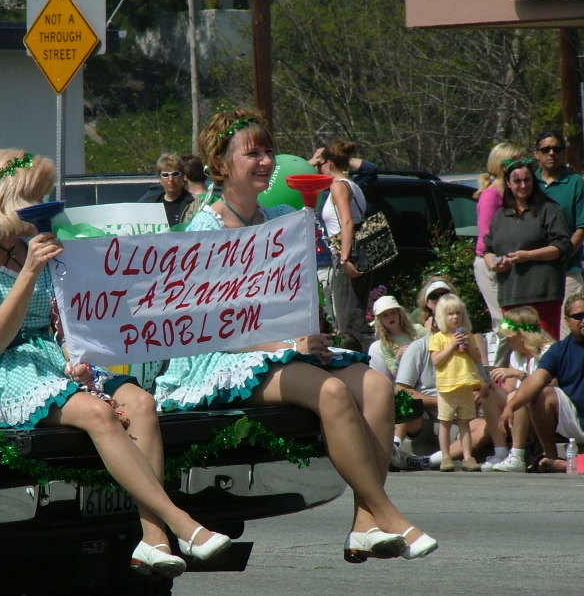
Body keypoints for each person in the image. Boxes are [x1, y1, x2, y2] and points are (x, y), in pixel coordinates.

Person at [155, 107, 437, 564]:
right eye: (254, 153)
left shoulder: (281, 218)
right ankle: (388, 514)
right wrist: (288, 346)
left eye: (269, 151)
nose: (267, 161)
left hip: (284, 350)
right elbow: (212, 328)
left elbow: (296, 299)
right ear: (221, 163)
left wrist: (307, 332)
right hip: (222, 358)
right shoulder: (205, 228)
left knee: (377, 386)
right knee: (331, 391)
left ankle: (364, 522)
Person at [0, 149, 230, 579]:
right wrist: (30, 271)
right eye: (34, 196)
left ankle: (153, 540)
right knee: (98, 413)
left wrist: (76, 357)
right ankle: (182, 523)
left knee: (140, 403)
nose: (43, 205)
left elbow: (67, 319)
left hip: (52, 359)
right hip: (2, 370)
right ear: (4, 196)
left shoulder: (35, 245)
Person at [483, 159, 572, 340]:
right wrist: (494, 264)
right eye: (517, 181)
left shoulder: (549, 209)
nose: (523, 185)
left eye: (527, 180)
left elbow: (562, 247)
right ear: (508, 183)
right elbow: (488, 249)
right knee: (516, 345)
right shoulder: (500, 216)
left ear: (534, 181)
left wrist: (528, 256)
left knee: (544, 346)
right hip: (510, 296)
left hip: (542, 294)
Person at [499, 293, 584, 473]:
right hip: (576, 418)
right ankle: (551, 456)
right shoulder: (559, 350)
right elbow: (535, 380)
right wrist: (511, 407)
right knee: (542, 392)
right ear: (567, 320)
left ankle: (563, 465)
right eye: (578, 316)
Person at [313, 141, 376, 350]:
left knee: (348, 319)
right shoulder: (353, 185)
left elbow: (347, 221)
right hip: (360, 251)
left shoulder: (338, 185)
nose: (318, 168)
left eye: (320, 164)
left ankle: (362, 359)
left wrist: (344, 258)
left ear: (329, 163)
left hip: (347, 253)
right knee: (354, 314)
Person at [395, 335, 492, 466]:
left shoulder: (468, 345)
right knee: (402, 399)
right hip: (424, 418)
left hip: (458, 418)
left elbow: (483, 384)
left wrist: (477, 392)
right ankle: (394, 447)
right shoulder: (419, 347)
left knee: (486, 428)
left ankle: (428, 462)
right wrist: (440, 402)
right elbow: (401, 390)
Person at [479, 306, 554, 472]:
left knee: (517, 395)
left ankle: (517, 456)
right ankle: (501, 452)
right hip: (520, 414)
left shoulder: (548, 351)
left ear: (521, 335)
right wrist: (492, 386)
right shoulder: (516, 355)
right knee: (490, 393)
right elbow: (507, 389)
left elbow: (550, 386)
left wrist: (519, 374)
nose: (507, 340)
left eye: (510, 336)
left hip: (544, 413)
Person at [368, 295, 430, 470]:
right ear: (380, 320)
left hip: (426, 387)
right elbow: (390, 381)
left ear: (400, 313)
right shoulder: (381, 346)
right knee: (403, 398)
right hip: (406, 396)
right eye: (385, 315)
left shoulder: (419, 331)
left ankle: (394, 447)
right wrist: (398, 360)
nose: (390, 317)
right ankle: (395, 446)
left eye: (393, 312)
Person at [533, 130, 584, 338]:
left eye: (557, 149)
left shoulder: (575, 182)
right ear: (537, 153)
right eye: (546, 149)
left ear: (564, 152)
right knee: (538, 333)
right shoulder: (529, 183)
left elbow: (581, 227)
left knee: (570, 332)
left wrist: (563, 254)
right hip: (534, 272)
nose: (551, 153)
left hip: (567, 270)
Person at [429, 293, 487, 472]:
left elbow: (477, 358)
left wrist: (468, 346)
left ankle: (468, 457)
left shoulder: (468, 335)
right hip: (447, 387)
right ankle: (446, 456)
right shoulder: (438, 338)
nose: (455, 317)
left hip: (465, 385)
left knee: (465, 423)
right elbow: (436, 360)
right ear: (442, 316)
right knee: (445, 423)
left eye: (458, 313)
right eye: (450, 314)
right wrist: (452, 345)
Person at [473, 143, 526, 339]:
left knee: (519, 320)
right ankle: (505, 358)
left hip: (511, 262)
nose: (521, 165)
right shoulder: (491, 196)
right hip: (492, 263)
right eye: (515, 161)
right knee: (504, 321)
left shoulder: (513, 193)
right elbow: (486, 239)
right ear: (503, 166)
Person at [138, 153, 194, 227]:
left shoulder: (193, 203)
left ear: (183, 176)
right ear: (160, 179)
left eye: (175, 174)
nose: (171, 179)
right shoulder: (151, 204)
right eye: (165, 175)